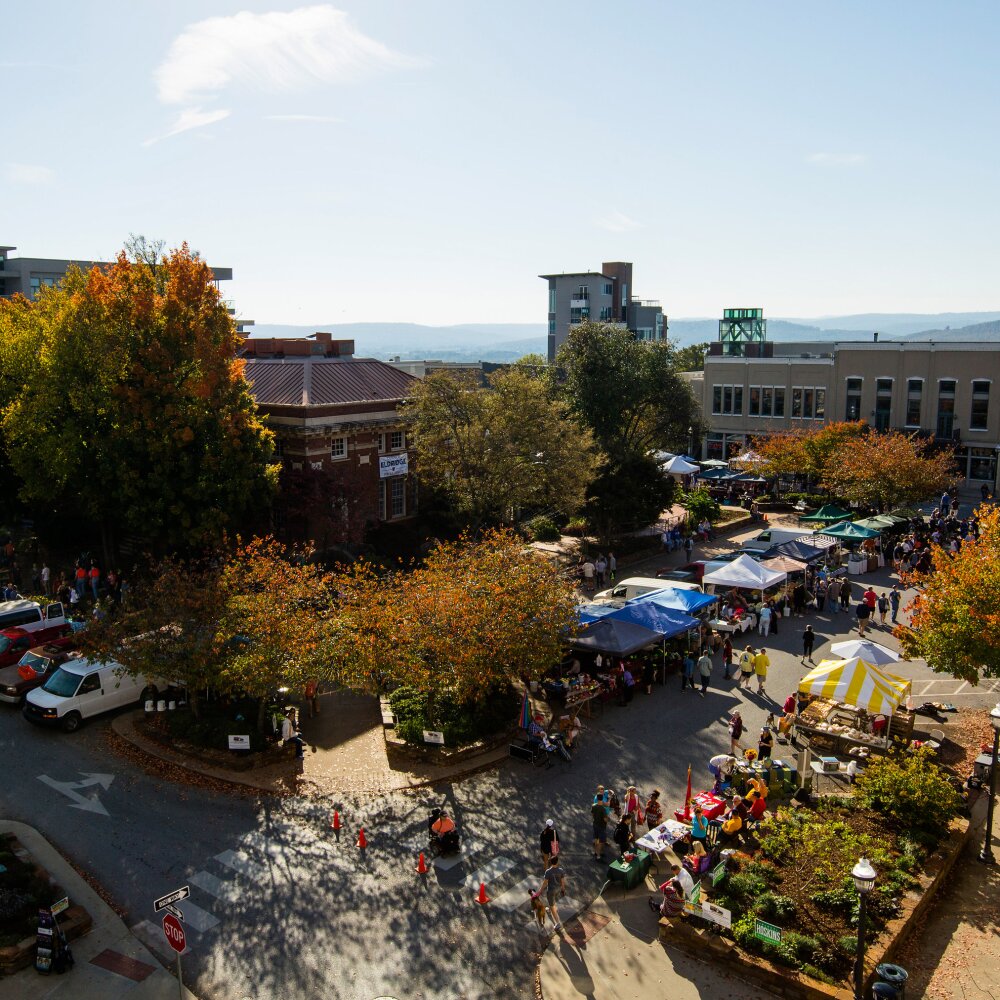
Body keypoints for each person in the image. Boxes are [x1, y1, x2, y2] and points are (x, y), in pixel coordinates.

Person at [539, 855, 566, 931]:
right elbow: (562, 881)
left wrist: (540, 891)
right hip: (558, 889)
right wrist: (563, 889)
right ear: (557, 862)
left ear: (550, 862)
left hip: (551, 891)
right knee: (552, 902)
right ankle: (551, 909)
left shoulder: (548, 872)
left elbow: (545, 883)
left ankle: (557, 923)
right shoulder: (561, 870)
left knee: (552, 905)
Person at [592, 796, 610, 861]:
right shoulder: (603, 809)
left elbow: (592, 814)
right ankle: (598, 856)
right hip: (601, 826)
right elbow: (605, 819)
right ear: (602, 799)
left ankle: (595, 852)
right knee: (601, 842)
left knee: (595, 838)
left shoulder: (593, 806)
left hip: (595, 824)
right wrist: (608, 819)